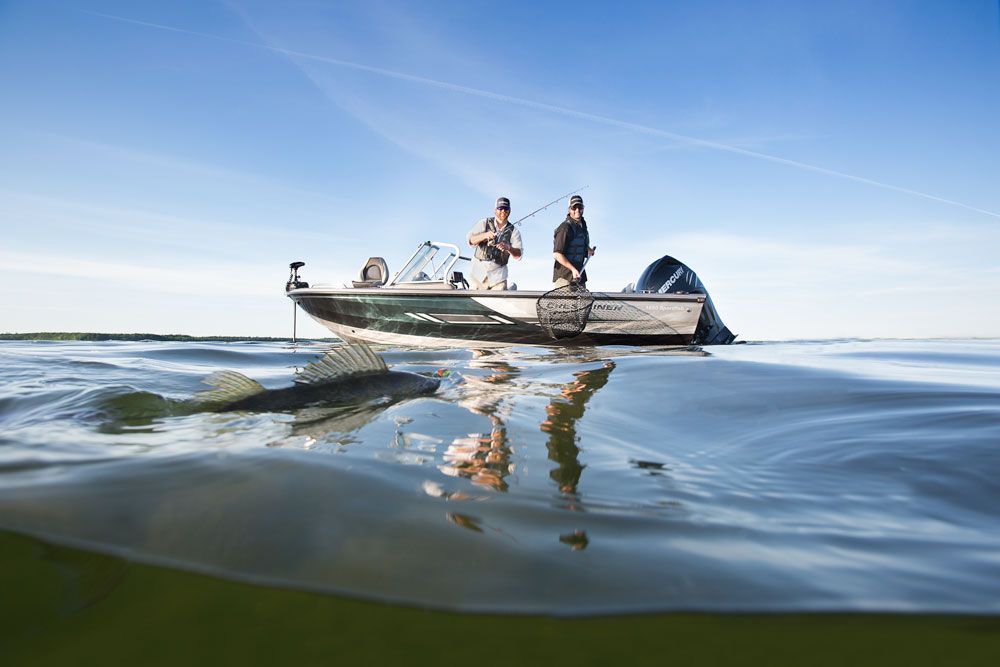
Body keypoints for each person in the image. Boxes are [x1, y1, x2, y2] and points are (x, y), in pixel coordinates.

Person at [467, 196, 523, 290]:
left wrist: (508, 247)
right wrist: (484, 235)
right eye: (500, 208)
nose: (503, 211)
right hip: (477, 275)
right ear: (495, 210)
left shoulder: (514, 231)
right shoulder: (483, 223)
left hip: (498, 278)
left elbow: (518, 255)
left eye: (506, 209)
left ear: (509, 210)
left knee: (499, 303)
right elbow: (470, 240)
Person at [552, 194, 595, 288]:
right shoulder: (564, 228)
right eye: (574, 207)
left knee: (583, 303)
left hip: (580, 276)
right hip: (565, 277)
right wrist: (572, 269)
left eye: (580, 207)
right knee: (564, 303)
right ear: (569, 209)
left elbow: (579, 244)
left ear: (583, 208)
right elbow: (557, 254)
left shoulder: (583, 227)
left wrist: (588, 249)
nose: (577, 210)